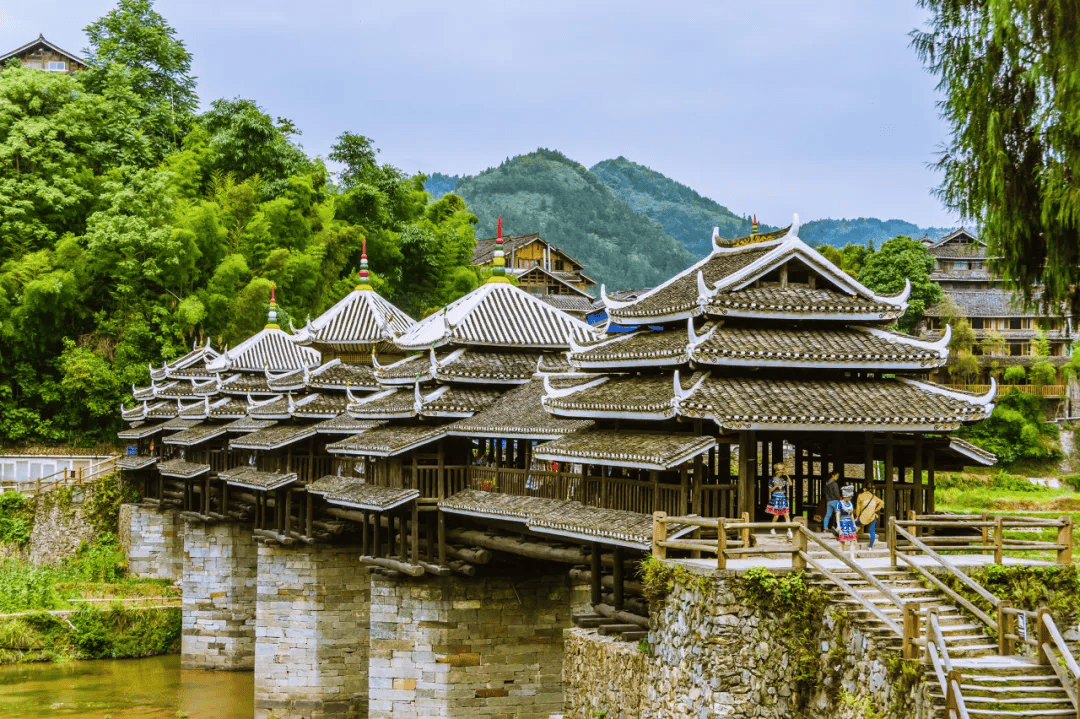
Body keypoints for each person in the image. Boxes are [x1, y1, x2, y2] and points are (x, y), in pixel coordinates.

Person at [765, 462, 792, 537]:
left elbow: (790, 484)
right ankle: (772, 528)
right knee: (776, 515)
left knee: (786, 514)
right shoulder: (772, 480)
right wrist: (775, 486)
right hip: (776, 497)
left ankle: (789, 530)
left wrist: (787, 475)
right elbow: (770, 490)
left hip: (783, 497)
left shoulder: (783, 479)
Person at [855, 485, 885, 550]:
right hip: (872, 516)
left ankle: (853, 541)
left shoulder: (860, 496)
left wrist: (857, 515)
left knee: (854, 527)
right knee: (872, 530)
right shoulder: (874, 497)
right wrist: (875, 510)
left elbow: (858, 507)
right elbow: (882, 503)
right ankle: (870, 546)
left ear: (864, 489)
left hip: (863, 516)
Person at [837, 485, 858, 557]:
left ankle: (852, 556)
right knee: (842, 541)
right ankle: (842, 557)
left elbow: (851, 514)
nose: (850, 498)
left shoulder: (850, 504)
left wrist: (854, 523)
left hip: (850, 523)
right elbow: (837, 515)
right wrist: (838, 525)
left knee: (853, 540)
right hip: (842, 522)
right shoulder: (839, 503)